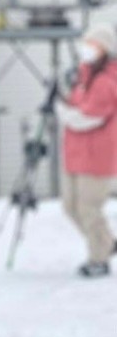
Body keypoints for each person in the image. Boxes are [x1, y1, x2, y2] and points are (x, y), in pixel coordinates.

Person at [57, 21, 117, 277]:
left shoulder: (105, 81)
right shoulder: (83, 78)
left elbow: (89, 117)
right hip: (76, 154)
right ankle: (105, 243)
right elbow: (77, 110)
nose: (87, 49)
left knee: (89, 208)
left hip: (97, 156)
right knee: (70, 206)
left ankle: (98, 258)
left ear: (104, 48)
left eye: (92, 45)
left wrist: (64, 113)